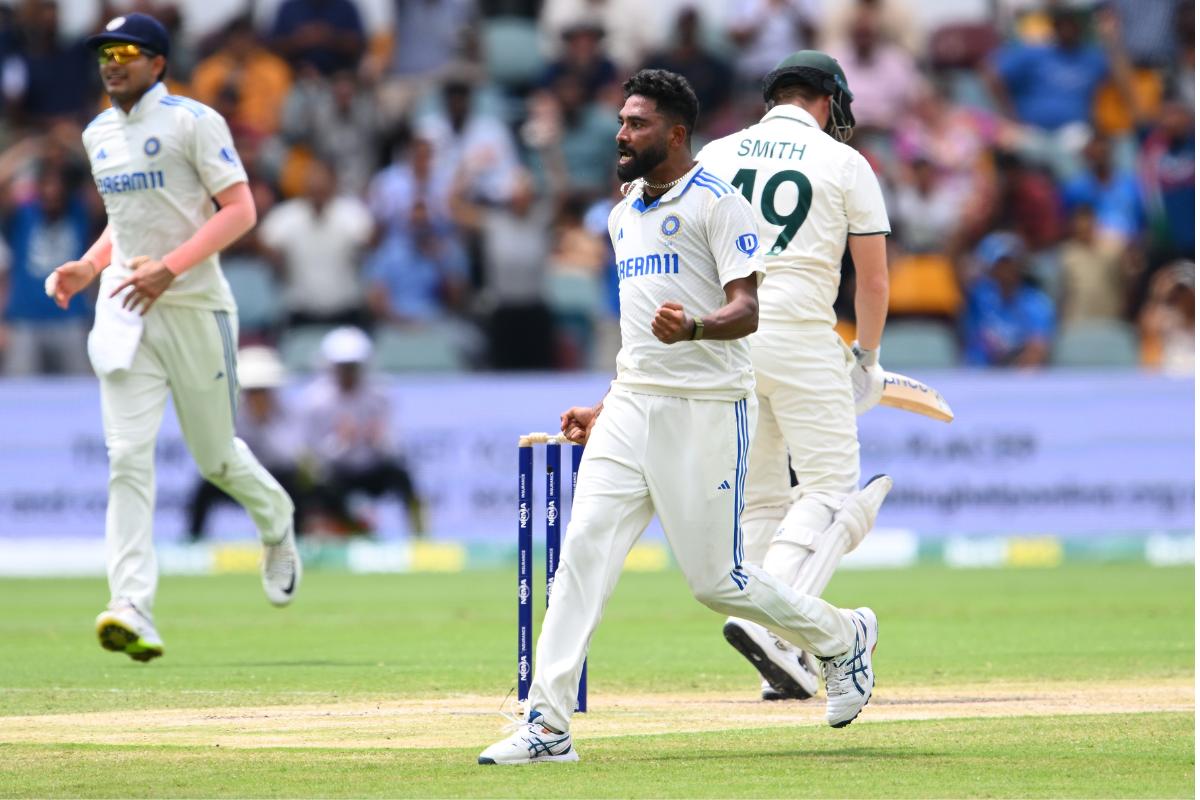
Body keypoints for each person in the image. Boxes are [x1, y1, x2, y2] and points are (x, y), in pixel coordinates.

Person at [479, 69, 880, 766]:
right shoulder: (623, 210)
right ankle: (547, 723)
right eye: (621, 121)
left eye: (636, 124)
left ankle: (843, 635)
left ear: (675, 132)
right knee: (582, 554)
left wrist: (696, 326)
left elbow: (747, 308)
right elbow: (640, 336)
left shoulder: (719, 203)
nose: (621, 134)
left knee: (716, 582)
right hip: (634, 405)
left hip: (708, 408)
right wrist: (605, 406)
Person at [45, 13, 300, 662]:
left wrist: (171, 270)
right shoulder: (98, 133)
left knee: (215, 458)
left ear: (158, 62)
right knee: (127, 458)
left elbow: (239, 210)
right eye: (105, 52)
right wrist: (89, 264)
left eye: (127, 51)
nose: (113, 62)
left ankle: (277, 522)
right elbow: (126, 224)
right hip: (127, 311)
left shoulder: (193, 121)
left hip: (194, 307)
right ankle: (131, 605)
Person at [696, 51, 892, 701]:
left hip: (727, 337)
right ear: (828, 100)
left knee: (760, 503)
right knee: (834, 492)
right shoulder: (844, 163)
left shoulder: (717, 156)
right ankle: (783, 628)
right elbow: (873, 279)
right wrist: (866, 357)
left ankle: (773, 657)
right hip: (801, 335)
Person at [299, 326, 427, 538]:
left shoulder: (380, 395)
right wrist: (340, 442)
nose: (348, 373)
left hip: (373, 467)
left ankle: (421, 537)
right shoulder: (315, 401)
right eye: (343, 366)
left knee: (402, 476)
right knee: (315, 487)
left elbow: (394, 446)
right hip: (337, 473)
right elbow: (312, 458)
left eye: (353, 366)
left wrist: (378, 439)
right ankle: (353, 531)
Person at [186, 346, 309, 541]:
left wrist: (264, 424)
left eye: (262, 391)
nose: (257, 396)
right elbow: (218, 453)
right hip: (238, 477)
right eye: (253, 391)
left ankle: (296, 542)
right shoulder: (229, 413)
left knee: (298, 487)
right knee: (205, 487)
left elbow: (289, 457)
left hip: (276, 476)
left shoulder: (287, 412)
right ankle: (193, 543)